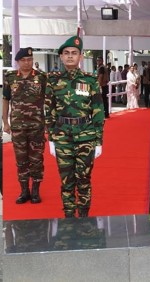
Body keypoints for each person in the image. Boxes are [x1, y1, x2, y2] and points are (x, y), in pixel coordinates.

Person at [45, 35, 105, 217]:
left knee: (84, 180)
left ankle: (84, 218)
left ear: (81, 57)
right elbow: (49, 110)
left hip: (86, 136)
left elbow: (98, 110)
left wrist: (98, 140)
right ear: (61, 57)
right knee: (66, 181)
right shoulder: (53, 81)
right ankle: (69, 218)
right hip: (62, 137)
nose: (70, 56)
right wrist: (51, 139)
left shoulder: (90, 80)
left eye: (74, 53)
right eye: (66, 53)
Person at [2, 47, 48, 204]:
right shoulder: (10, 77)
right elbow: (6, 100)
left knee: (36, 159)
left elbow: (49, 100)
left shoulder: (41, 77)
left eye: (29, 59)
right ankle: (24, 191)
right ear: (18, 62)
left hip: (37, 127)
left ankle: (35, 191)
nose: (27, 62)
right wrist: (5, 122)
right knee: (21, 160)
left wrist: (49, 120)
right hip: (18, 127)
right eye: (23, 60)